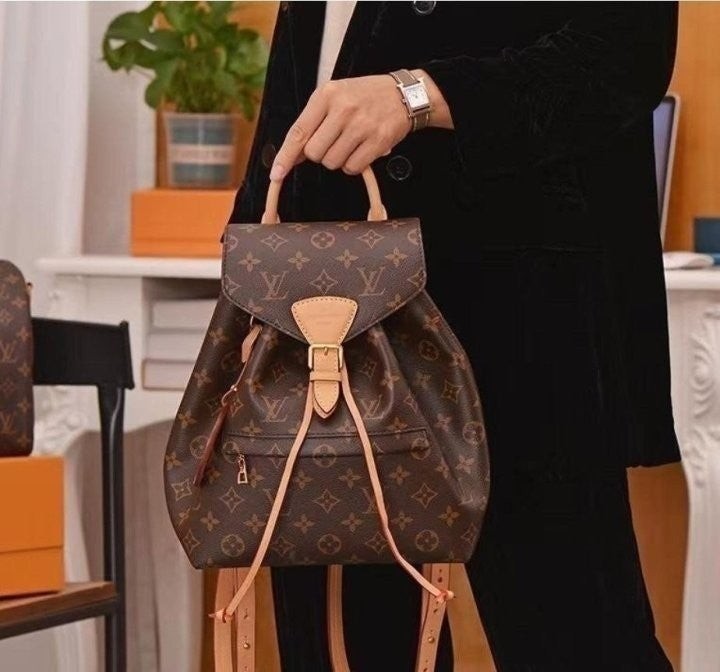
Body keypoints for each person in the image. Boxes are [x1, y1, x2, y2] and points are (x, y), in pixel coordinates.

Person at [228, 2, 680, 670]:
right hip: (326, 316)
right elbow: (299, 85)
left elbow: (625, 52)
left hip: (525, 326)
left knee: (577, 638)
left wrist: (418, 94)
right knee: (346, 647)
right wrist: (246, 281)